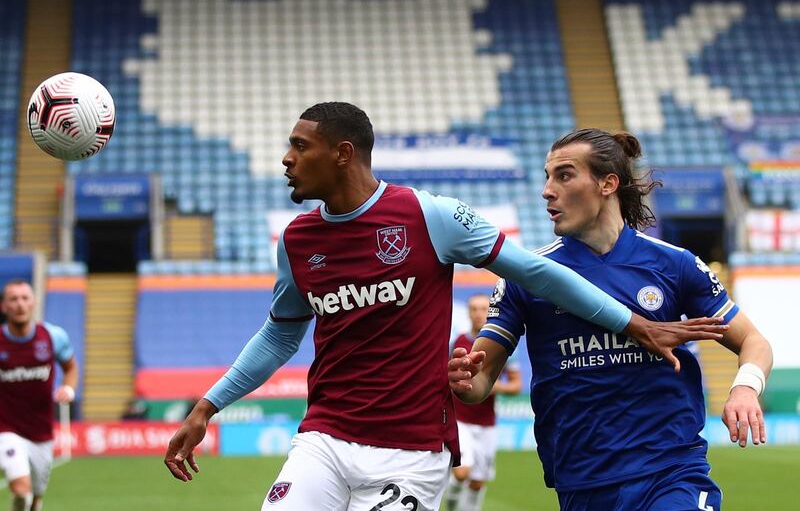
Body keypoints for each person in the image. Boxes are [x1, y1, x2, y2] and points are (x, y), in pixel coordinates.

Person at [164, 103, 727, 510]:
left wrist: (633, 324)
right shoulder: (297, 240)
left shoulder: (428, 215)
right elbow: (279, 335)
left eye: (299, 146)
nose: (286, 159)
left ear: (342, 153)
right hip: (326, 436)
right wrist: (208, 405)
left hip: (412, 449)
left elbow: (535, 272)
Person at [448, 129, 773, 511]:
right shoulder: (528, 276)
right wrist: (468, 380)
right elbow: (482, 377)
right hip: (581, 480)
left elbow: (754, 342)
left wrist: (745, 388)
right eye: (547, 177)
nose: (547, 190)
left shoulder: (674, 264)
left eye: (564, 175)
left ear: (608, 184)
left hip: (670, 471)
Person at [0, 280, 79, 511]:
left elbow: (71, 367)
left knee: (34, 501)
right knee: (21, 491)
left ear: (33, 302)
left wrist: (69, 388)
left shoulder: (53, 336)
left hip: (41, 433)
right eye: (13, 299)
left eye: (25, 298)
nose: (20, 304)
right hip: (6, 429)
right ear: (4, 306)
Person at [445, 294, 521, 511]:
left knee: (478, 483)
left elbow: (516, 386)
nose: (478, 313)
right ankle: (451, 507)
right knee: (462, 472)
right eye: (474, 309)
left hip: (487, 422)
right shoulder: (457, 343)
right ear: (468, 313)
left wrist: (488, 385)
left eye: (483, 309)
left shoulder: (502, 347)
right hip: (460, 419)